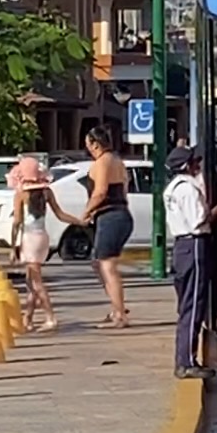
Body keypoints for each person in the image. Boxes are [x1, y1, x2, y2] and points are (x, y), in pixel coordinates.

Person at [163, 145, 217, 378]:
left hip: (182, 247)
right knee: (193, 305)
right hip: (194, 245)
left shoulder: (172, 189)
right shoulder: (188, 189)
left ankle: (186, 358)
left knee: (187, 305)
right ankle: (186, 361)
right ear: (186, 166)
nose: (198, 166)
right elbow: (199, 220)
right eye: (194, 162)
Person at [7, 155, 80, 333]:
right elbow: (61, 214)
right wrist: (80, 221)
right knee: (31, 281)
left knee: (36, 282)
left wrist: (13, 246)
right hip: (43, 238)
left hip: (29, 239)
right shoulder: (47, 192)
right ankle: (28, 319)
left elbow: (17, 222)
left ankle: (50, 317)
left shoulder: (21, 194)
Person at [82, 125, 134, 328]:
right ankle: (116, 307)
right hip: (120, 214)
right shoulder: (118, 161)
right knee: (99, 263)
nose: (87, 148)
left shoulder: (103, 162)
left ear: (95, 144)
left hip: (110, 216)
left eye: (88, 144)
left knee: (107, 266)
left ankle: (120, 314)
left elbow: (101, 191)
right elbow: (124, 188)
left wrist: (87, 211)